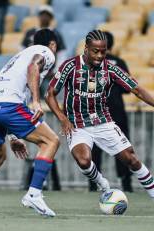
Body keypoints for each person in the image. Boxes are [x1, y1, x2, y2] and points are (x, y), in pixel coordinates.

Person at [0, 29, 60, 218]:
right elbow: (34, 67)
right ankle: (34, 193)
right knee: (50, 141)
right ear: (53, 45)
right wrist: (36, 101)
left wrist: (14, 136)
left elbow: (12, 90)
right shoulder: (46, 52)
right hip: (7, 105)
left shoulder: (17, 57)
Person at [47, 30, 154, 202]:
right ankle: (103, 184)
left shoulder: (110, 69)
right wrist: (63, 118)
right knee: (84, 161)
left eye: (103, 51)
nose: (99, 55)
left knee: (131, 159)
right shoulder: (70, 66)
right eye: (95, 51)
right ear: (86, 48)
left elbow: (137, 90)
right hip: (77, 125)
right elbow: (49, 94)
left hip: (103, 122)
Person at [21, 5, 65, 192]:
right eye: (42, 14)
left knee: (40, 119)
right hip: (33, 77)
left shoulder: (55, 35)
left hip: (47, 77)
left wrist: (53, 71)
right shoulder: (31, 33)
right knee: (45, 133)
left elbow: (61, 54)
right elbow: (25, 57)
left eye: (48, 15)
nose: (44, 17)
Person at [90, 31, 133, 192]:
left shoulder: (92, 62)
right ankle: (126, 184)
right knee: (121, 147)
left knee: (94, 148)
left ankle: (93, 185)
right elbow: (128, 88)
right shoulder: (119, 62)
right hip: (117, 111)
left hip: (96, 111)